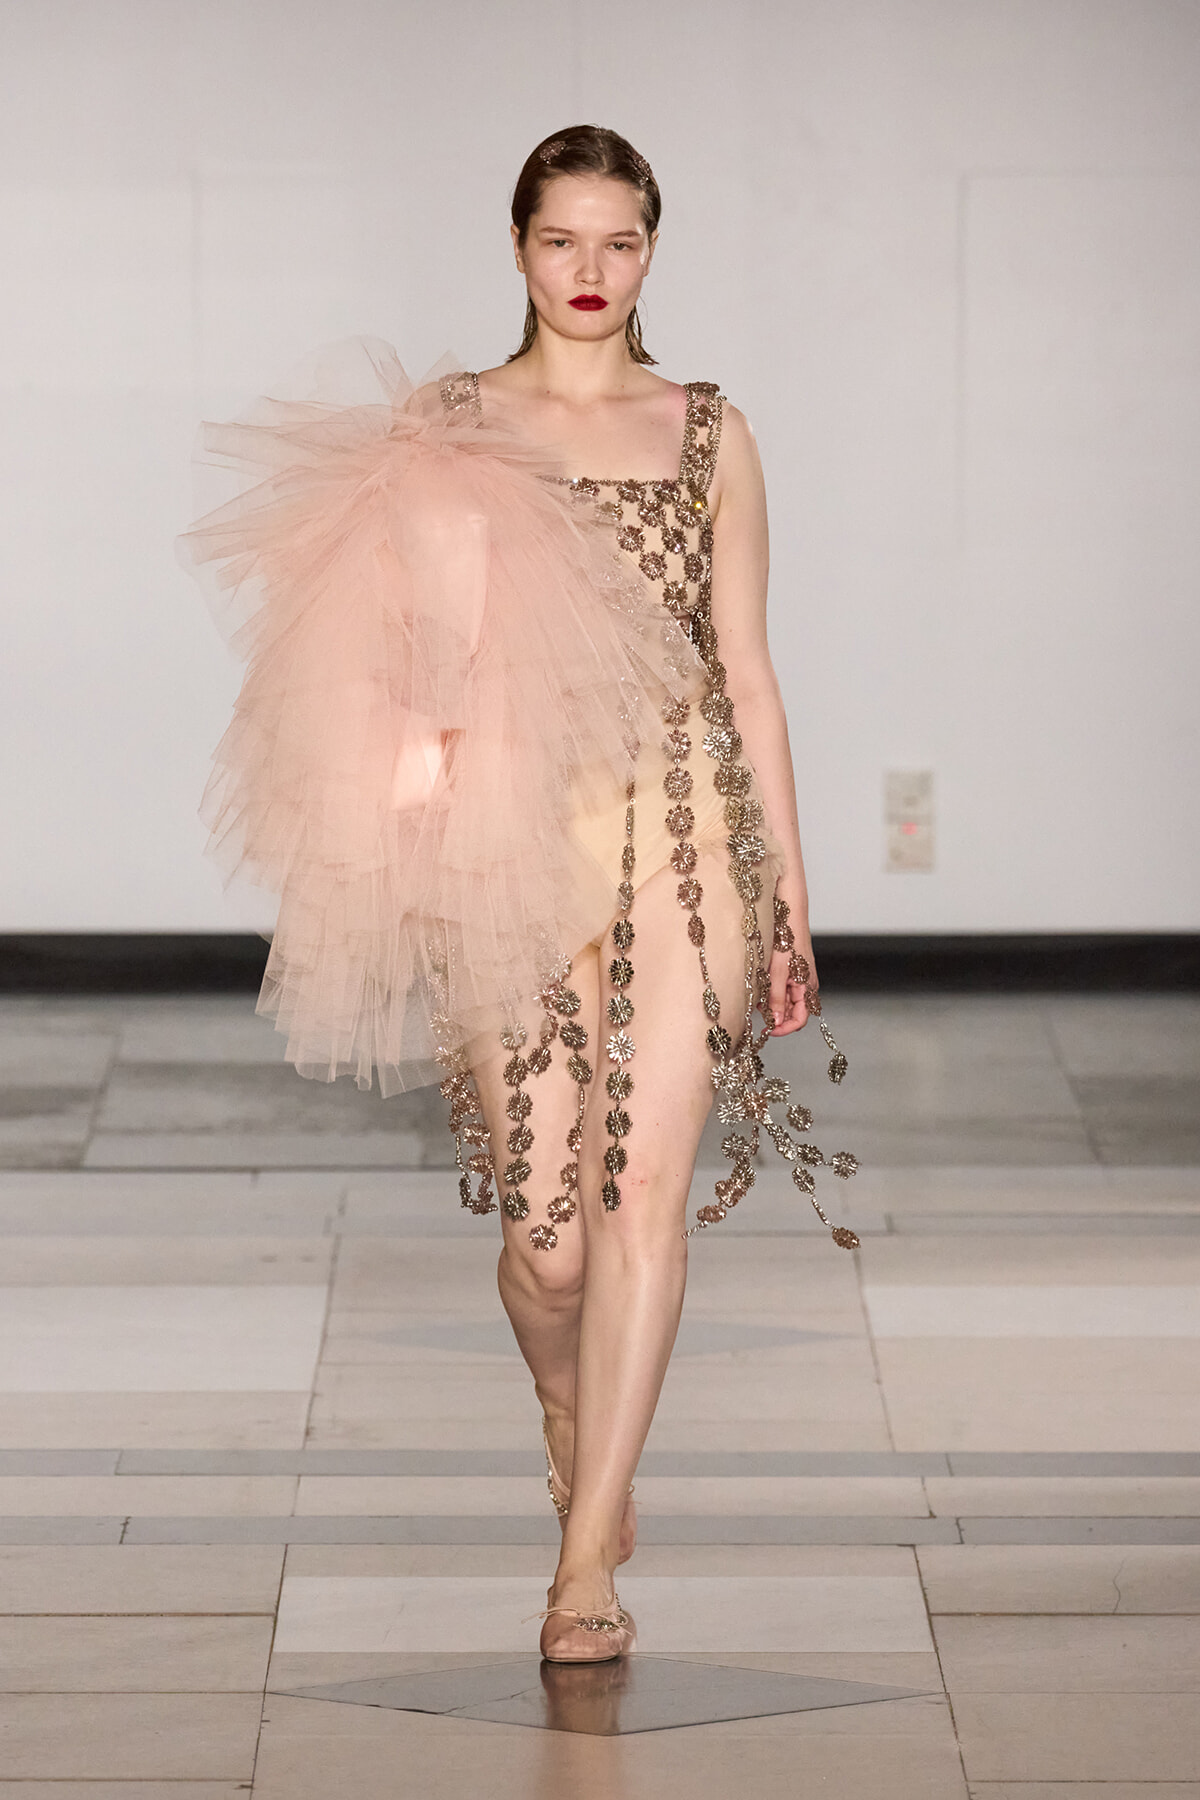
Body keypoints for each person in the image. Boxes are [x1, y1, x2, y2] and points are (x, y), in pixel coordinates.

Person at [182, 124, 857, 1666]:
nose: (592, 273)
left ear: (653, 251)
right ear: (518, 248)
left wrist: (790, 898)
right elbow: (407, 660)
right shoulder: (456, 424)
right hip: (506, 829)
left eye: (621, 242)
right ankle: (569, 1405)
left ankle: (584, 1555)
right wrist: (409, 839)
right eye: (565, 242)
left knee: (643, 1204)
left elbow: (747, 668)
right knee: (548, 1238)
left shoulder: (709, 432)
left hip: (688, 831)